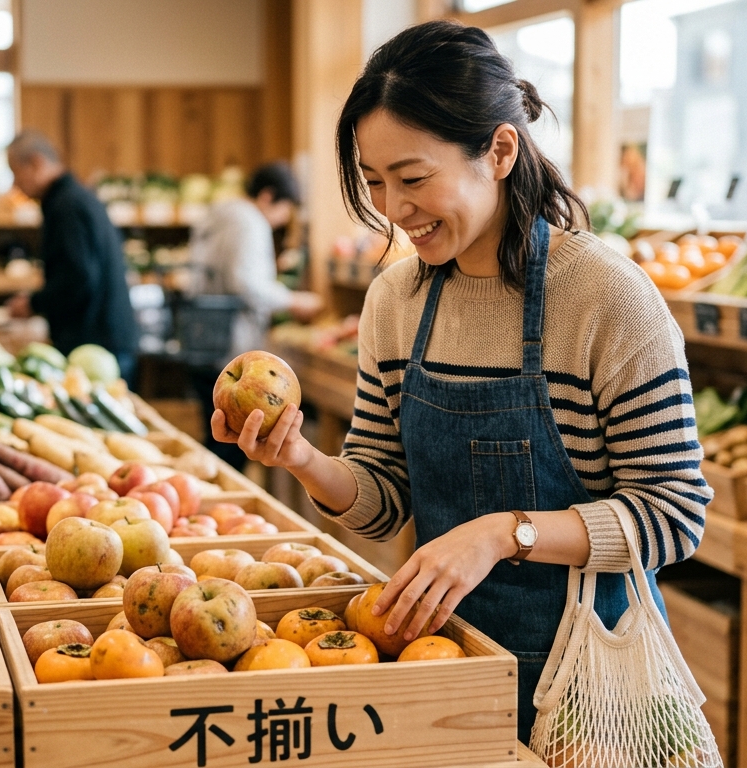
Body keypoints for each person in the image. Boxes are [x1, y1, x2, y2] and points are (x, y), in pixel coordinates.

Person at [213, 21, 711, 743]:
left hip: (593, 687)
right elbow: (385, 500)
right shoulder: (395, 302)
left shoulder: (608, 299)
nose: (392, 206)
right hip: (441, 664)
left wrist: (504, 534)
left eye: (413, 178)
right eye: (374, 181)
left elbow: (675, 514)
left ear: (500, 150)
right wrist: (302, 462)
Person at [187, 162, 324, 468]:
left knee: (214, 433)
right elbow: (247, 283)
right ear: (267, 196)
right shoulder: (250, 222)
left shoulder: (215, 214)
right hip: (231, 348)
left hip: (199, 337)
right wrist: (293, 300)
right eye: (284, 209)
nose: (280, 221)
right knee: (232, 446)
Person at [5, 130, 138, 382]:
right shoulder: (74, 198)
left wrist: (35, 303)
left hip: (97, 347)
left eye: (15, 173)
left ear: (35, 163)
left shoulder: (66, 206)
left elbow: (78, 277)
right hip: (105, 340)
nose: (15, 185)